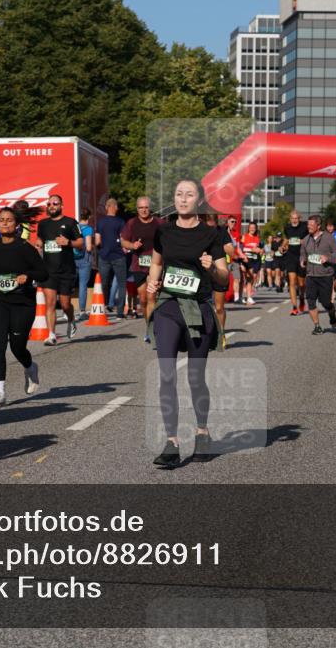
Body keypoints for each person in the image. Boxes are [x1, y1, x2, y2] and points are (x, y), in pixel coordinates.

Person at [147, 179, 229, 468]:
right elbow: (157, 263)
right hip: (169, 306)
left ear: (199, 200)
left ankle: (202, 433)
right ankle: (171, 442)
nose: (183, 199)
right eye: (179, 194)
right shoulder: (163, 231)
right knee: (167, 374)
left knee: (196, 377)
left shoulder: (211, 234)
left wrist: (212, 268)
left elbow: (224, 277)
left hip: (199, 309)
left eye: (189, 195)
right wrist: (152, 283)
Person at [0, 208, 48, 407]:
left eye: (9, 220)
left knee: (17, 347)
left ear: (16, 225)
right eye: (1, 220)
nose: (5, 223)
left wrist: (28, 276)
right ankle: (0, 393)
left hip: (22, 303)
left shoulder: (25, 248)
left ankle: (30, 366)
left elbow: (43, 273)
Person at [36, 194, 82, 345]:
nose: (52, 206)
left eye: (55, 203)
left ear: (61, 205)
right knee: (50, 302)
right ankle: (51, 335)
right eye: (49, 204)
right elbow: (40, 240)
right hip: (49, 271)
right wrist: (38, 244)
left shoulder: (70, 222)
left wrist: (68, 242)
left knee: (65, 304)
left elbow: (80, 243)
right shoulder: (43, 224)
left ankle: (71, 319)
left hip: (66, 270)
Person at [122, 196, 163, 339]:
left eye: (146, 207)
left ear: (150, 208)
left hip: (156, 264)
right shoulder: (132, 223)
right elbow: (123, 241)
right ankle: (148, 327)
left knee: (152, 297)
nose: (144, 210)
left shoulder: (159, 223)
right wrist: (132, 245)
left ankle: (155, 330)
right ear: (137, 209)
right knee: (144, 299)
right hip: (138, 265)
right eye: (141, 208)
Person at [299, 215, 336, 334]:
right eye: (308, 224)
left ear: (318, 225)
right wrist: (302, 260)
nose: (309, 227)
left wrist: (327, 258)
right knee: (310, 301)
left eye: (311, 224)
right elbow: (303, 254)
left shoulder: (329, 238)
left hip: (325, 275)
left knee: (325, 302)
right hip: (310, 275)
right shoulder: (306, 239)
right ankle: (317, 326)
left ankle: (331, 312)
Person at [203, 211, 235, 350]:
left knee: (219, 307)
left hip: (219, 271)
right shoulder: (199, 230)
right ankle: (206, 336)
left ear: (216, 223)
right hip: (203, 272)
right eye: (208, 226)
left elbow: (231, 250)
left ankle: (221, 333)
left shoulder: (222, 231)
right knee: (203, 306)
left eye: (213, 226)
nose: (211, 229)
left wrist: (225, 247)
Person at [95, 197, 127, 317]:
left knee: (103, 284)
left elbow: (97, 241)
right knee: (121, 284)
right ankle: (120, 312)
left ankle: (102, 309)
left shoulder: (100, 222)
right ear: (115, 207)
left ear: (106, 208)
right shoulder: (121, 222)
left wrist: (101, 248)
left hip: (104, 256)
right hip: (119, 256)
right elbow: (123, 239)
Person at [281, 210, 309, 315]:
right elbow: (287, 239)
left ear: (299, 219)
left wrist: (303, 241)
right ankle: (294, 307)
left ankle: (301, 297)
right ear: (290, 219)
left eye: (296, 218)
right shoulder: (287, 228)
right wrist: (282, 246)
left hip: (302, 256)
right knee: (292, 282)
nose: (294, 220)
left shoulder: (304, 226)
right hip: (291, 256)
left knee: (301, 284)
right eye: (293, 218)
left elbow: (310, 238)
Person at [75, 208, 95, 319]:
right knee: (82, 285)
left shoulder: (75, 227)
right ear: (89, 217)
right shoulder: (88, 229)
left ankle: (66, 311)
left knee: (69, 284)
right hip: (84, 259)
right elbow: (88, 247)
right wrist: (92, 247)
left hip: (73, 259)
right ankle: (82, 311)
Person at [241, 222, 262, 305]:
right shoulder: (244, 237)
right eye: (251, 227)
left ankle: (249, 297)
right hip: (246, 259)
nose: (252, 229)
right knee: (245, 277)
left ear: (256, 229)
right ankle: (242, 296)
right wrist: (251, 249)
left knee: (251, 277)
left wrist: (260, 250)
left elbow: (259, 249)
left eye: (254, 227)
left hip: (254, 260)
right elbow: (241, 248)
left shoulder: (257, 238)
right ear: (248, 228)